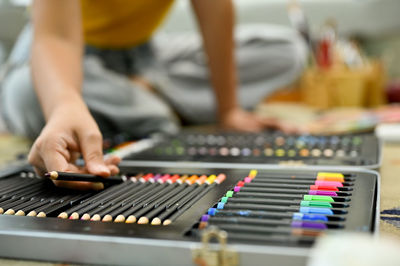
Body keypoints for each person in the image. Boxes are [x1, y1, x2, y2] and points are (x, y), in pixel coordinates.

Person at [1, 0, 294, 189]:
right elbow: (56, 37)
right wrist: (64, 105)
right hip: (65, 57)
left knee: (286, 51)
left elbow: (213, 7)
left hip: (146, 56)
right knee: (27, 93)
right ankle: (150, 102)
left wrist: (228, 109)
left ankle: (141, 96)